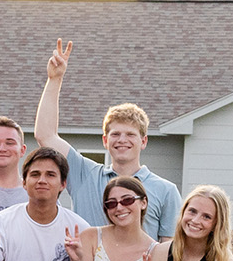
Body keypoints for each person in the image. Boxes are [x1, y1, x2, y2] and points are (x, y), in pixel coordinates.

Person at [32, 38, 182, 237]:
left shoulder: (166, 190)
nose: (122, 140)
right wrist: (54, 79)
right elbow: (45, 135)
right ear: (105, 140)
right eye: (116, 134)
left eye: (130, 135)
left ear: (143, 141)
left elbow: (168, 251)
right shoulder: (84, 174)